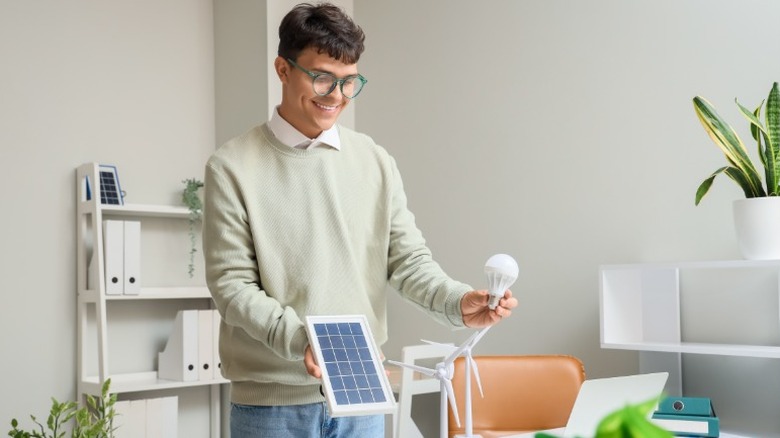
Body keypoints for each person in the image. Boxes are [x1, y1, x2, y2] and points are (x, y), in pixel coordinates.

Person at [202, 3, 518, 437]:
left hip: (361, 398)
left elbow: (407, 261)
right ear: (282, 68)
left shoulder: (375, 161)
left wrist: (457, 303)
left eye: (350, 82)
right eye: (322, 77)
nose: (337, 96)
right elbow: (231, 286)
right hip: (273, 406)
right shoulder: (232, 167)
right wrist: (304, 340)